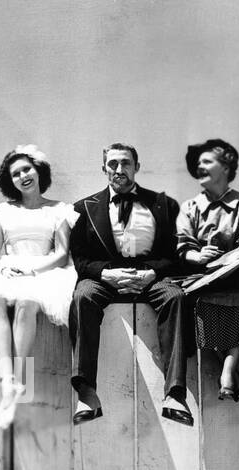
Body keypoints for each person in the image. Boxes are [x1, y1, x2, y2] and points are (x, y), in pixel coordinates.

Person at [0, 145, 76, 428]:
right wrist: (4, 268)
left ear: (39, 171)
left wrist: (32, 269)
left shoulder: (59, 210)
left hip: (43, 270)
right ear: (10, 181)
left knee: (26, 303)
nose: (23, 176)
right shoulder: (4, 211)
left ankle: (19, 379)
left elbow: (62, 253)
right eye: (16, 174)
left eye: (27, 169)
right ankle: (6, 381)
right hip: (7, 268)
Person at [68, 142, 189, 425]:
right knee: (82, 296)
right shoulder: (82, 208)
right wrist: (107, 274)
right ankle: (86, 394)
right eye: (113, 164)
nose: (119, 170)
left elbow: (175, 256)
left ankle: (175, 394)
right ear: (103, 169)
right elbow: (80, 260)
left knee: (175, 297)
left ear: (137, 167)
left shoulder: (164, 205)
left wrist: (150, 273)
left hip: (150, 277)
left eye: (125, 163)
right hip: (104, 279)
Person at [173, 139, 239, 406]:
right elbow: (183, 246)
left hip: (238, 276)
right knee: (201, 309)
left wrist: (229, 259)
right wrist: (197, 256)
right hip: (204, 278)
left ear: (225, 167)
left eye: (207, 162)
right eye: (198, 164)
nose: (199, 167)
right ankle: (233, 372)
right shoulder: (190, 207)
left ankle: (226, 373)